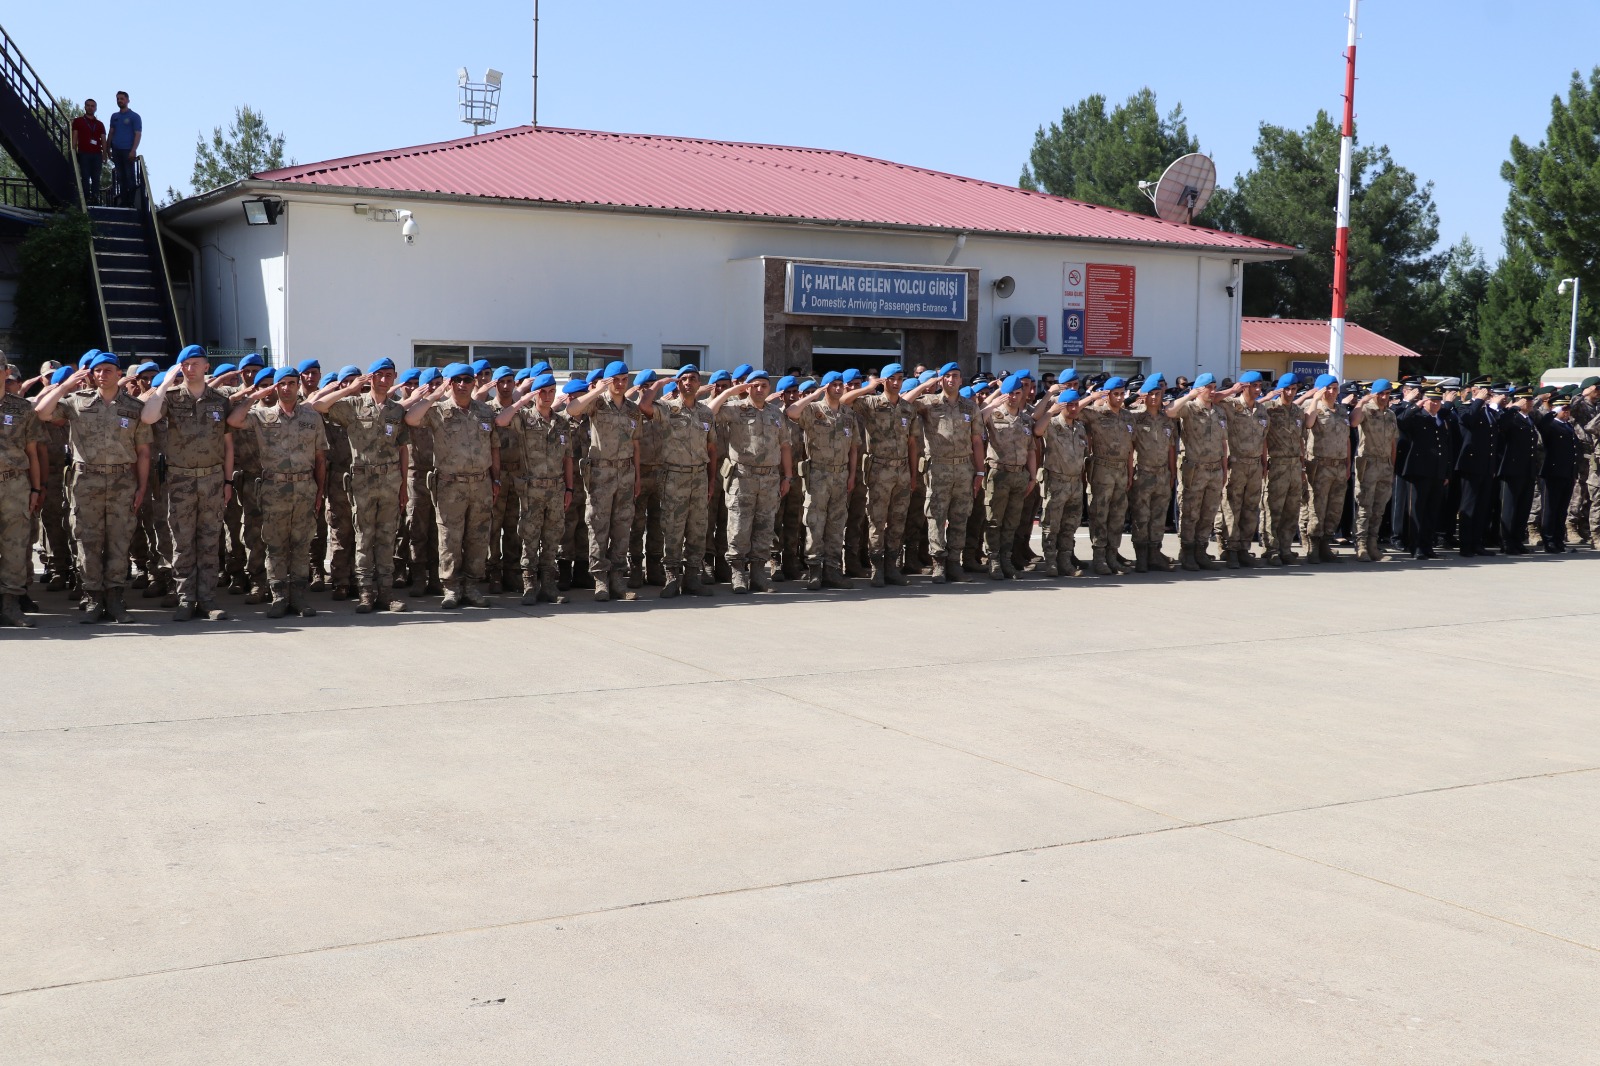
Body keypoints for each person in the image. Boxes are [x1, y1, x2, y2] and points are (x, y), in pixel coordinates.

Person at [35, 354, 151, 623]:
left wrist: (142, 487)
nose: (102, 375)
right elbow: (42, 412)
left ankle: (115, 598)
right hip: (86, 480)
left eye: (108, 370)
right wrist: (64, 386)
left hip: (123, 480)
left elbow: (143, 452)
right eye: (97, 370)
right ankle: (93, 597)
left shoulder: (133, 407)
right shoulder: (77, 402)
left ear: (119, 373)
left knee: (119, 541)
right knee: (88, 542)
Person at [139, 345, 232, 621]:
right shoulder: (170, 398)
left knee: (208, 541)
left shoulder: (220, 400)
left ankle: (206, 600)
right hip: (180, 479)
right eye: (185, 364)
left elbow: (228, 446)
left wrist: (227, 481)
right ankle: (185, 598)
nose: (190, 368)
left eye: (195, 363)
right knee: (182, 542)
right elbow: (147, 416)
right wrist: (166, 382)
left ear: (206, 367)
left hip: (213, 479)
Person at [226, 367, 326, 618]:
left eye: (292, 383)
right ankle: (280, 597)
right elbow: (234, 420)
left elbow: (320, 458)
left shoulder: (311, 417)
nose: (287, 388)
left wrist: (319, 492)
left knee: (302, 544)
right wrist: (257, 394)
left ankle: (299, 597)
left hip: (305, 487)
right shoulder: (262, 415)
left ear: (297, 384)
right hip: (274, 489)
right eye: (281, 384)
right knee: (276, 544)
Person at [315, 358, 414, 613]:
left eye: (388, 375)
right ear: (371, 378)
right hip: (362, 480)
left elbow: (403, 450)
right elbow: (319, 405)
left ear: (394, 378)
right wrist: (349, 388)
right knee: (364, 536)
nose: (383, 380)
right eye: (379, 375)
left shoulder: (396, 411)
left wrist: (403, 485)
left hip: (391, 481)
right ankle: (366, 593)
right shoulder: (353, 405)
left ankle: (386, 594)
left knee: (386, 537)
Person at [403, 362, 500, 608]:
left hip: (480, 484)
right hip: (450, 486)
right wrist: (435, 394)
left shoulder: (485, 411)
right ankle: (451, 588)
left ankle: (471, 586)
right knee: (450, 539)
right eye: (457, 380)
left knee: (477, 539)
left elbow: (494, 447)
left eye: (467, 380)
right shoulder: (438, 410)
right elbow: (411, 419)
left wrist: (495, 479)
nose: (462, 385)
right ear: (450, 383)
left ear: (474, 382)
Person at [564, 361, 641, 602]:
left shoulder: (632, 409)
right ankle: (600, 580)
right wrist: (597, 389)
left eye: (623, 379)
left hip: (626, 474)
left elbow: (635, 444)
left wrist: (637, 476)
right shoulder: (596, 403)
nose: (620, 384)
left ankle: (618, 580)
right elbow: (572, 410)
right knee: (598, 527)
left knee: (621, 528)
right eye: (615, 379)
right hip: (600, 474)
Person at [708, 369, 792, 593]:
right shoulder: (737, 409)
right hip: (743, 477)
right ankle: (738, 574)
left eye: (764, 385)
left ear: (769, 389)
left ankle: (758, 576)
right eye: (755, 385)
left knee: (764, 528)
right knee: (738, 527)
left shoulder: (776, 413)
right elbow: (709, 412)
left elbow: (785, 446)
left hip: (770, 478)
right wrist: (733, 392)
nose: (760, 389)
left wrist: (788, 477)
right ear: (748, 387)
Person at [495, 371, 574, 604]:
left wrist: (569, 489)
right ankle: (529, 585)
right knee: (529, 538)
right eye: (542, 392)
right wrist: (521, 400)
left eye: (551, 392)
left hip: (556, 489)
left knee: (552, 538)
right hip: (532, 489)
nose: (548, 397)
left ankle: (548, 586)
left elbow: (568, 457)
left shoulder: (561, 423)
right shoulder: (525, 418)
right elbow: (501, 420)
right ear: (535, 394)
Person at [843, 363, 919, 587]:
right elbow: (845, 401)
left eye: (899, 379)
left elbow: (912, 443)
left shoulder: (908, 408)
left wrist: (913, 475)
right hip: (879, 470)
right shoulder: (871, 403)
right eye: (891, 379)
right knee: (877, 521)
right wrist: (869, 386)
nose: (896, 383)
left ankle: (891, 567)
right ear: (884, 381)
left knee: (897, 520)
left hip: (903, 471)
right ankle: (877, 568)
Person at [909, 362, 984, 583]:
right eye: (947, 376)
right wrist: (930, 382)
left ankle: (954, 564)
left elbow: (977, 441)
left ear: (962, 380)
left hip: (964, 468)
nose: (952, 380)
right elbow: (904, 402)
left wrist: (980, 473)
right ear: (942, 380)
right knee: (936, 517)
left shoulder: (970, 407)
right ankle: (938, 564)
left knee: (960, 517)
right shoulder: (928, 404)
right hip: (938, 467)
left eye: (956, 376)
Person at [644, 365, 715, 598]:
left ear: (698, 384)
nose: (688, 382)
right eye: (683, 379)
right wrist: (656, 386)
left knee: (697, 528)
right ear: (678, 384)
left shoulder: (706, 413)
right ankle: (672, 577)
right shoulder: (667, 408)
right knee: (673, 528)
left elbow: (711, 448)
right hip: (674, 475)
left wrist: (712, 480)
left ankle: (693, 578)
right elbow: (643, 407)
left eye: (692, 379)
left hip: (699, 476)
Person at [786, 370, 860, 589]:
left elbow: (854, 448)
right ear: (826, 387)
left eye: (841, 384)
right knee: (815, 523)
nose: (839, 388)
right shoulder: (813, 410)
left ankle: (833, 570)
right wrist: (814, 394)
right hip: (818, 473)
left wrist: (852, 475)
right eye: (834, 384)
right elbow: (792, 412)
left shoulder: (848, 414)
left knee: (837, 524)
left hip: (842, 474)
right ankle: (815, 571)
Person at [1297, 373, 1364, 563]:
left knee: (1334, 509)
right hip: (1319, 466)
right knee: (1316, 508)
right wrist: (1315, 399)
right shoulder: (1312, 408)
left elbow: (1347, 439)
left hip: (1339, 466)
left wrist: (1347, 463)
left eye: (1336, 389)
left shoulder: (1342, 411)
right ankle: (1313, 546)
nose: (1334, 393)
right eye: (1330, 389)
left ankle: (1326, 544)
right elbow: (1308, 424)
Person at [1167, 372, 1230, 572]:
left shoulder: (1218, 412)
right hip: (1194, 469)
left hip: (1214, 468)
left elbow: (1223, 442)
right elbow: (1170, 411)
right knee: (1190, 513)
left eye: (1214, 387)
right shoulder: (1190, 409)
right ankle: (1187, 552)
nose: (1212, 391)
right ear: (1200, 389)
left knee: (1208, 512)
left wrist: (1224, 466)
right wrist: (1189, 395)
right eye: (1208, 388)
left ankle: (1201, 551)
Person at [0, 351, 45, 627]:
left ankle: (10, 605)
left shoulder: (22, 409)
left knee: (16, 547)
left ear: (6, 372)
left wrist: (36, 490)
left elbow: (32, 452)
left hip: (15, 483)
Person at [977, 375, 1036, 580]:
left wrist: (1033, 477)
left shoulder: (1026, 419)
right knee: (994, 520)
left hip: (1020, 474)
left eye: (1017, 393)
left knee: (1012, 521)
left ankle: (1006, 559)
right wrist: (992, 405)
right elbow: (975, 422)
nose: (1013, 397)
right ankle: (993, 560)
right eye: (1009, 393)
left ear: (1022, 394)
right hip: (998, 473)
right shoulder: (994, 415)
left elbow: (1031, 450)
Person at [1076, 377, 1136, 575]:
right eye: (1115, 394)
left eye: (1122, 393)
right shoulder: (1096, 414)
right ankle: (1099, 558)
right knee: (1100, 514)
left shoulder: (1128, 416)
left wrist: (1129, 471)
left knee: (1118, 516)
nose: (1119, 398)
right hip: (1102, 468)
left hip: (1121, 469)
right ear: (1107, 394)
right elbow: (1073, 410)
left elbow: (1130, 447)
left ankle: (1112, 555)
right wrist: (1092, 397)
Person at [1031, 385, 1089, 577]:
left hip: (1075, 483)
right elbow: (1037, 431)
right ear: (1062, 405)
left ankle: (1065, 561)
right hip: (1056, 481)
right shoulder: (1053, 424)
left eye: (1076, 405)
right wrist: (1050, 411)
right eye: (1069, 405)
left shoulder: (1080, 427)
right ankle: (1050, 562)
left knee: (1070, 525)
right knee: (1051, 525)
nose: (1073, 409)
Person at [1217, 372, 1269, 567]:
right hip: (1236, 465)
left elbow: (1264, 439)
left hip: (1255, 465)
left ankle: (1244, 548)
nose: (1258, 390)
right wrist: (1232, 390)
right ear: (1245, 386)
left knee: (1250, 508)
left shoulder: (1262, 410)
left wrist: (1264, 463)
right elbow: (1212, 398)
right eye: (1254, 386)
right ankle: (1230, 549)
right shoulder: (1232, 405)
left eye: (1260, 386)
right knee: (1232, 507)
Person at [1126, 375, 1176, 573]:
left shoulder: (1167, 420)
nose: (1154, 398)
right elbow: (1130, 449)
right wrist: (1130, 474)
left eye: (1157, 393)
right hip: (1143, 474)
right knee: (1141, 516)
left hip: (1163, 473)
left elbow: (1172, 448)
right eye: (1150, 394)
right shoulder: (1136, 417)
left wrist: (1172, 473)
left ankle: (1155, 554)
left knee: (1158, 516)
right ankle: (1141, 557)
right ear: (1143, 396)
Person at [1396, 386, 1451, 559]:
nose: (1435, 403)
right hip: (1419, 471)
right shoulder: (1416, 417)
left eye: (1438, 400)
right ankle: (1416, 546)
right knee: (1417, 511)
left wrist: (1446, 473)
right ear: (1424, 400)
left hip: (1437, 472)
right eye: (1431, 400)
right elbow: (1401, 421)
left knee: (1431, 511)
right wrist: (1415, 405)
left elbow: (1446, 448)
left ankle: (1427, 545)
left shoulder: (1442, 419)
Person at [1352, 380, 1399, 562]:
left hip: (1385, 466)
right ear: (1374, 394)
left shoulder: (1390, 414)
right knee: (1365, 507)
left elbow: (1393, 443)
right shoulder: (1366, 410)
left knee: (1379, 509)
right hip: (1368, 464)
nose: (1384, 397)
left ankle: (1373, 546)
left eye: (1387, 394)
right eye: (1381, 394)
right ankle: (1361, 546)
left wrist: (1392, 467)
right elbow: (1353, 422)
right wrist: (1361, 402)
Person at [1494, 388, 1541, 555]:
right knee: (1509, 508)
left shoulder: (1529, 419)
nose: (1529, 403)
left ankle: (1517, 540)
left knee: (1523, 507)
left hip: (1527, 469)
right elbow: (1501, 425)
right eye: (1525, 400)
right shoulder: (1511, 417)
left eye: (1530, 400)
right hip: (1511, 469)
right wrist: (1512, 407)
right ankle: (1506, 541)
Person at [1536, 398, 1579, 553]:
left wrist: (1574, 472)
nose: (1566, 412)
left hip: (1567, 473)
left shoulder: (1568, 426)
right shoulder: (1551, 425)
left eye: (1568, 409)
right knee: (1550, 509)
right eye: (1563, 409)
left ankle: (1559, 540)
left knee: (1562, 510)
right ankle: (1549, 540)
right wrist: (1553, 411)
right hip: (1552, 474)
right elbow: (1541, 426)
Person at [107, 91, 142, 207]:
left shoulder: (134, 117)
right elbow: (111, 132)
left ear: (127, 100)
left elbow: (138, 134)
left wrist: (133, 150)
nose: (119, 101)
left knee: (129, 176)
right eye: (118, 99)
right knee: (120, 177)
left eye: (122, 98)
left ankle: (130, 202)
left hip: (128, 150)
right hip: (116, 150)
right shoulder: (114, 116)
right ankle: (123, 201)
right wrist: (107, 148)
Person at [71, 99, 106, 205]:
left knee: (96, 177)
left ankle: (95, 198)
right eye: (88, 105)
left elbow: (103, 140)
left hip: (97, 154)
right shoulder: (78, 121)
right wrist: (73, 151)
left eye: (92, 106)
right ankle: (86, 198)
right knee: (85, 177)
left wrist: (104, 154)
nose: (90, 107)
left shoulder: (100, 124)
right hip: (83, 153)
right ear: (85, 107)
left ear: (95, 108)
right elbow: (75, 137)